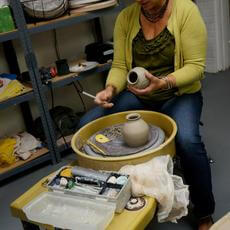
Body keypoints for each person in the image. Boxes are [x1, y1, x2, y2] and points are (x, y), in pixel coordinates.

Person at [78, 0, 215, 229]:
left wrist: (163, 82)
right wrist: (110, 89)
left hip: (178, 94)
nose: (142, 2)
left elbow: (195, 67)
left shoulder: (186, 11)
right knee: (87, 126)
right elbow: (121, 65)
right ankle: (109, 199)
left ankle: (204, 212)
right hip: (140, 96)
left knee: (188, 142)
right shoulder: (126, 17)